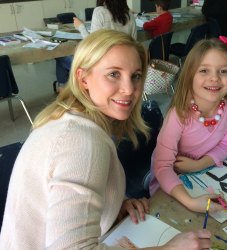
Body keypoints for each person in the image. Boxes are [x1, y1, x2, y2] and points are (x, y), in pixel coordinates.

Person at [0, 29, 212, 250]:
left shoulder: (71, 121)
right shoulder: (82, 143)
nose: (130, 90)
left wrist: (112, 206)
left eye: (136, 76)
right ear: (83, 79)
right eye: (113, 74)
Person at [149, 36, 227, 213]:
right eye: (204, 71)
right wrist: (190, 202)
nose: (214, 79)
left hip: (205, 172)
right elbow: (162, 167)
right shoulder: (178, 115)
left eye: (224, 71)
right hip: (173, 182)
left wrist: (199, 165)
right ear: (189, 76)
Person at [54, 0, 137, 93]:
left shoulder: (100, 11)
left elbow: (93, 45)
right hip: (124, 65)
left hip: (101, 65)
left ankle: (64, 92)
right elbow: (134, 44)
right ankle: (64, 90)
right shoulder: (129, 14)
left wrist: (81, 27)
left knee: (60, 56)